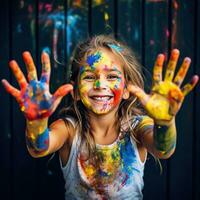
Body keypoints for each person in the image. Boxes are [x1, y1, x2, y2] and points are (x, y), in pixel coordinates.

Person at [2, 35, 199, 200]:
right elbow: (38, 148)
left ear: (126, 90)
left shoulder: (137, 128)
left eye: (112, 76)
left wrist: (164, 122)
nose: (100, 85)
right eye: (89, 77)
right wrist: (36, 122)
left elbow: (163, 150)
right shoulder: (68, 130)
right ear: (76, 91)